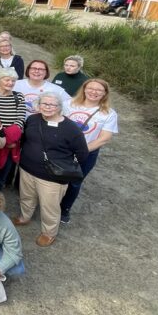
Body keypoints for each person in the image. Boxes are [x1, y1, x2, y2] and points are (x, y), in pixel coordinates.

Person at [12, 92, 89, 247]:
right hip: (27, 169)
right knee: (26, 197)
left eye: (52, 104)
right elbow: (26, 140)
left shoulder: (71, 129)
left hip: (52, 176)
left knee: (50, 206)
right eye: (44, 104)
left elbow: (82, 153)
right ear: (38, 105)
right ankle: (25, 217)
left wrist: (64, 165)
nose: (47, 107)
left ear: (59, 107)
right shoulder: (32, 119)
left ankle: (49, 232)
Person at [60, 79, 118, 224]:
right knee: (55, 176)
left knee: (74, 181)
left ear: (105, 93)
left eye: (99, 90)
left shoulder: (109, 113)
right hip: (62, 148)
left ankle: (64, 208)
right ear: (84, 89)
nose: (93, 92)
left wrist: (81, 151)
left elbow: (104, 138)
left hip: (87, 153)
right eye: (90, 88)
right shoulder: (68, 104)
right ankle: (49, 203)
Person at [0, 68, 27, 190]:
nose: (10, 83)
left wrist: (7, 140)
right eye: (7, 80)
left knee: (1, 176)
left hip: (9, 144)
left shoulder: (18, 96)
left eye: (13, 81)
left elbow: (20, 120)